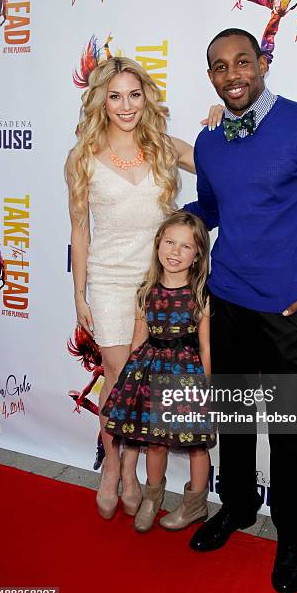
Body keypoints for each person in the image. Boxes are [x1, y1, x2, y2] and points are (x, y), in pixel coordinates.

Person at [184, 28, 297, 593]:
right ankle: (236, 508)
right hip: (228, 303)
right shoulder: (210, 142)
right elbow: (210, 209)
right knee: (235, 421)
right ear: (210, 75)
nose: (232, 74)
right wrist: (158, 223)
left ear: (263, 63)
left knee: (288, 431)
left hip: (289, 313)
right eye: (219, 66)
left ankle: (291, 537)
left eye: (243, 61)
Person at [65, 57, 222, 520]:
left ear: (145, 97)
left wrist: (221, 121)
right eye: (115, 96)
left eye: (134, 94)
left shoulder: (162, 146)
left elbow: (223, 163)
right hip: (111, 281)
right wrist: (79, 295)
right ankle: (115, 466)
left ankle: (131, 464)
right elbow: (79, 232)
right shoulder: (83, 157)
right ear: (101, 101)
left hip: (162, 280)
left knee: (149, 383)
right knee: (118, 378)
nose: (126, 105)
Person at [101, 212, 215, 532]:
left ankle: (194, 504)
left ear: (197, 256)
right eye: (169, 242)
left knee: (196, 444)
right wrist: (126, 383)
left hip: (187, 373)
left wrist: (205, 387)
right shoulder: (146, 291)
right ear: (157, 245)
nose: (175, 252)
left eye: (185, 246)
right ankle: (152, 498)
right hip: (150, 371)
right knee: (154, 442)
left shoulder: (200, 294)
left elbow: (206, 347)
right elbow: (138, 339)